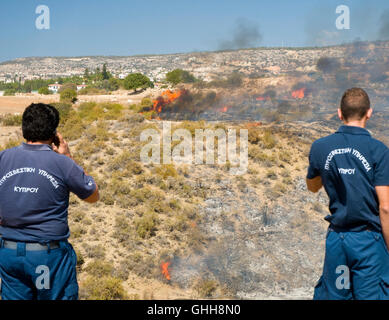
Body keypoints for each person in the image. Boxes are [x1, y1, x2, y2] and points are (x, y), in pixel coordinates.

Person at [0, 103, 99, 300]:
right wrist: (68, 157)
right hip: (48, 257)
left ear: (23, 129)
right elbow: (93, 196)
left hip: (9, 255)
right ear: (54, 133)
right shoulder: (62, 163)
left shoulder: (3, 158)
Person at [306, 88, 389, 300]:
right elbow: (386, 207)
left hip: (337, 240)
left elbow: (313, 186)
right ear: (369, 113)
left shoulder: (320, 147)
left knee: (336, 295)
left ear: (339, 113)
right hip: (368, 243)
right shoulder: (379, 151)